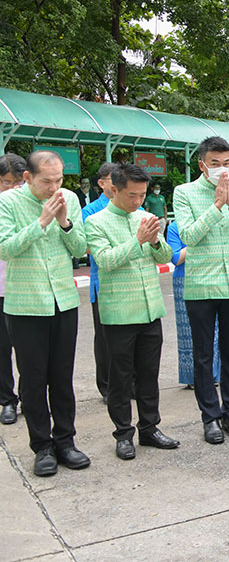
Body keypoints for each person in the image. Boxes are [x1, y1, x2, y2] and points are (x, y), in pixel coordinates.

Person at [0, 151, 90, 476]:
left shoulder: (69, 199)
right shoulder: (7, 203)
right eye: (46, 181)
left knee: (62, 378)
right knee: (34, 380)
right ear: (28, 178)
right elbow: (4, 248)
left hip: (63, 301)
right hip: (25, 306)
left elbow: (80, 249)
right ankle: (42, 446)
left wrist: (64, 221)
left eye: (59, 180)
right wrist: (41, 223)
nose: (54, 188)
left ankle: (66, 440)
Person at [86, 163, 179, 460]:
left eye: (141, 195)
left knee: (149, 376)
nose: (137, 201)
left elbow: (166, 257)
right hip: (119, 313)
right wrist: (137, 240)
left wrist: (154, 239)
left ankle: (150, 428)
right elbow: (106, 261)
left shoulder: (146, 217)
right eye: (131, 195)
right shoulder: (96, 222)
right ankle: (123, 434)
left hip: (150, 309)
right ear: (114, 190)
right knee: (120, 378)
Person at [173, 136, 229, 444]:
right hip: (200, 286)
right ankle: (209, 417)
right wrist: (216, 207)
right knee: (203, 356)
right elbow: (189, 236)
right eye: (215, 164)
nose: (222, 170)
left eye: (226, 164)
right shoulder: (183, 193)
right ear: (202, 164)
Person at [164, 222, 221, 388]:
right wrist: (198, 241)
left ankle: (214, 374)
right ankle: (194, 377)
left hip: (211, 276)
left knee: (215, 327)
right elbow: (176, 258)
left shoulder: (212, 222)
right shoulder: (175, 227)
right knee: (188, 331)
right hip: (184, 279)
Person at [81, 163, 115, 402]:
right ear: (102, 183)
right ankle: (107, 386)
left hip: (130, 283)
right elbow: (88, 247)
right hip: (102, 283)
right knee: (104, 338)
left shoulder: (133, 205)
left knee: (129, 337)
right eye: (114, 180)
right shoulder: (90, 211)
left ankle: (129, 382)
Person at [0, 153, 27, 425]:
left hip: (27, 289)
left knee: (30, 352)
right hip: (1, 288)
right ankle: (7, 400)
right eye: (6, 182)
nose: (12, 188)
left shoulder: (30, 206)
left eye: (17, 183)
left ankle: (31, 398)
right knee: (1, 349)